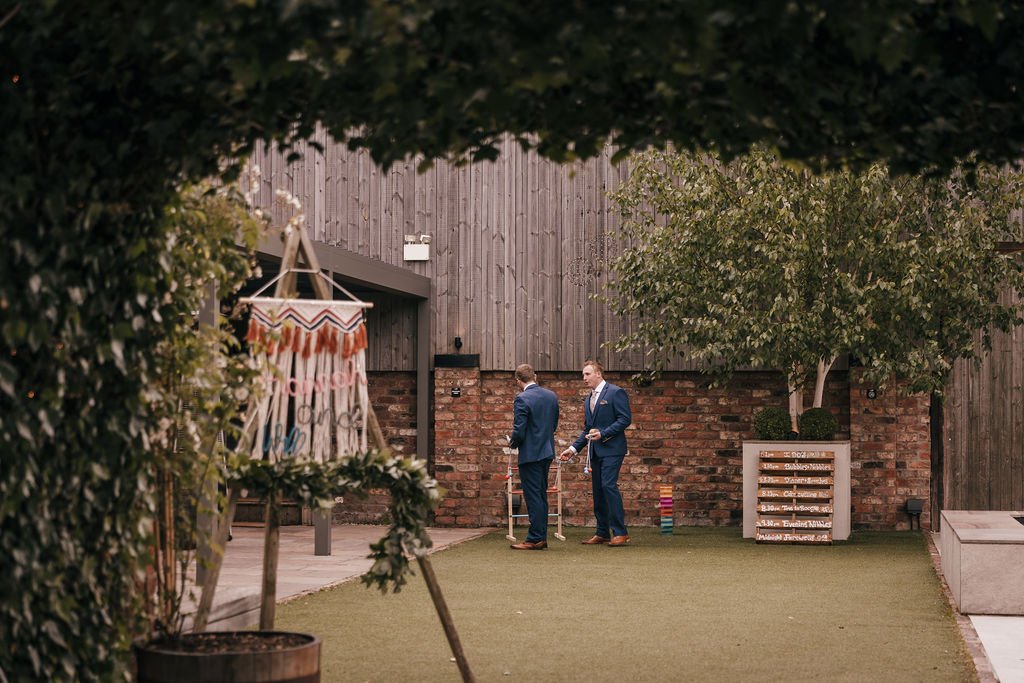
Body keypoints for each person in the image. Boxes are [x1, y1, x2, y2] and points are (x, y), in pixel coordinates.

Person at [560, 359, 632, 547]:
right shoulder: (588, 399)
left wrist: (604, 434)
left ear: (598, 374)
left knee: (608, 486)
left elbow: (625, 419)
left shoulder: (616, 392)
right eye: (583, 374)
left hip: (613, 449)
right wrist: (573, 449)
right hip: (595, 452)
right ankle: (602, 532)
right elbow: (588, 429)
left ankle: (620, 532)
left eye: (587, 374)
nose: (584, 378)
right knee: (598, 491)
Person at [507, 363, 560, 550]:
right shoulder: (551, 396)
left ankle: (535, 538)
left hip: (530, 454)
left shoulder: (522, 398)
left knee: (533, 496)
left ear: (517, 380)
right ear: (535, 376)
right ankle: (540, 536)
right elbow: (553, 425)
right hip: (546, 452)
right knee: (541, 495)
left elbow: (519, 430)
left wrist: (512, 442)